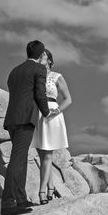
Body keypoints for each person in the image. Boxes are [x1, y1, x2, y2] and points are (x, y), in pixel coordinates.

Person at [1, 40, 59, 215]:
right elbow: (39, 94)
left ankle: (21, 199)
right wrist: (47, 112)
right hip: (26, 119)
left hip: (11, 119)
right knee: (17, 160)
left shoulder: (14, 71)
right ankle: (8, 203)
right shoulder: (39, 69)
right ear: (42, 55)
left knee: (21, 158)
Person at [31, 49, 72, 205]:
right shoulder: (35, 77)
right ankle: (50, 187)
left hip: (51, 114)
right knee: (42, 156)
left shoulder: (57, 76)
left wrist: (57, 111)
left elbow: (68, 99)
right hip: (38, 115)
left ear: (49, 61)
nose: (40, 59)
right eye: (39, 56)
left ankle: (42, 192)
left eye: (43, 57)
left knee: (48, 155)